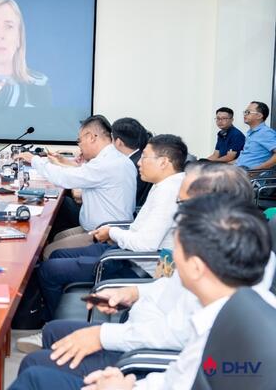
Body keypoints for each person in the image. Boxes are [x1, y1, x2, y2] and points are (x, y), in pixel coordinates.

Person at [10, 164, 266, 388]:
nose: (177, 212)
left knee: (36, 369)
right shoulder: (223, 257)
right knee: (54, 334)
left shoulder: (223, 283)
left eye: (183, 204)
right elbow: (182, 372)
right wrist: (133, 293)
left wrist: (114, 358)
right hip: (142, 340)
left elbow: (178, 348)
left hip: (145, 352)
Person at [78, 195, 275, 390]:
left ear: (196, 267)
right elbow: (179, 377)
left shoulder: (220, 328)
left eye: (177, 251)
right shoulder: (237, 311)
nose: (172, 260)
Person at [36, 135, 187, 319]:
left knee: (48, 270)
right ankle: (51, 314)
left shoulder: (169, 193)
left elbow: (145, 245)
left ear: (164, 162)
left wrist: (112, 232)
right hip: (126, 252)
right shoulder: (167, 184)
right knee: (57, 255)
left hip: (136, 266)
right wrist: (114, 233)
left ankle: (48, 324)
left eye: (145, 157)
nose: (139, 162)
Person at [16, 115, 136, 237]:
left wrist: (34, 160)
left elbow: (64, 178)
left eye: (79, 141)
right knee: (57, 237)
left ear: (91, 138)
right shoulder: (115, 158)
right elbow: (83, 174)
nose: (79, 146)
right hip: (105, 229)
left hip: (104, 235)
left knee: (50, 250)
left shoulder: (105, 164)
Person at [111, 117, 152, 208]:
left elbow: (122, 198)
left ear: (118, 142)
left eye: (112, 139)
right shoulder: (137, 158)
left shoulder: (132, 166)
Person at [236, 101, 276, 170]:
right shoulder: (251, 133)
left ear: (259, 116)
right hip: (240, 171)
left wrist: (256, 169)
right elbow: (246, 158)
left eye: (248, 112)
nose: (245, 114)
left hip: (253, 176)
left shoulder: (266, 132)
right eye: (245, 112)